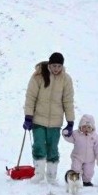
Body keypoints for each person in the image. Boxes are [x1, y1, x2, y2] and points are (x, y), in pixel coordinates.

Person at [23, 52, 75, 185]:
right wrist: (28, 117)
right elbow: (30, 97)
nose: (56, 69)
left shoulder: (66, 79)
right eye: (54, 66)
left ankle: (51, 175)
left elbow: (68, 101)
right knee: (39, 145)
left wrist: (70, 122)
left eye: (59, 66)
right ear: (49, 65)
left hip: (55, 122)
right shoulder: (39, 76)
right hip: (38, 119)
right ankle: (39, 173)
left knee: (53, 148)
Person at [62, 113, 98, 187]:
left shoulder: (95, 137)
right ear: (80, 126)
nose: (86, 129)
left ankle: (86, 181)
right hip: (77, 157)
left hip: (90, 159)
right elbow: (69, 138)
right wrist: (65, 134)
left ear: (92, 128)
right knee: (75, 169)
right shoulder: (76, 134)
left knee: (89, 172)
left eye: (89, 127)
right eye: (84, 127)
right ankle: (74, 180)